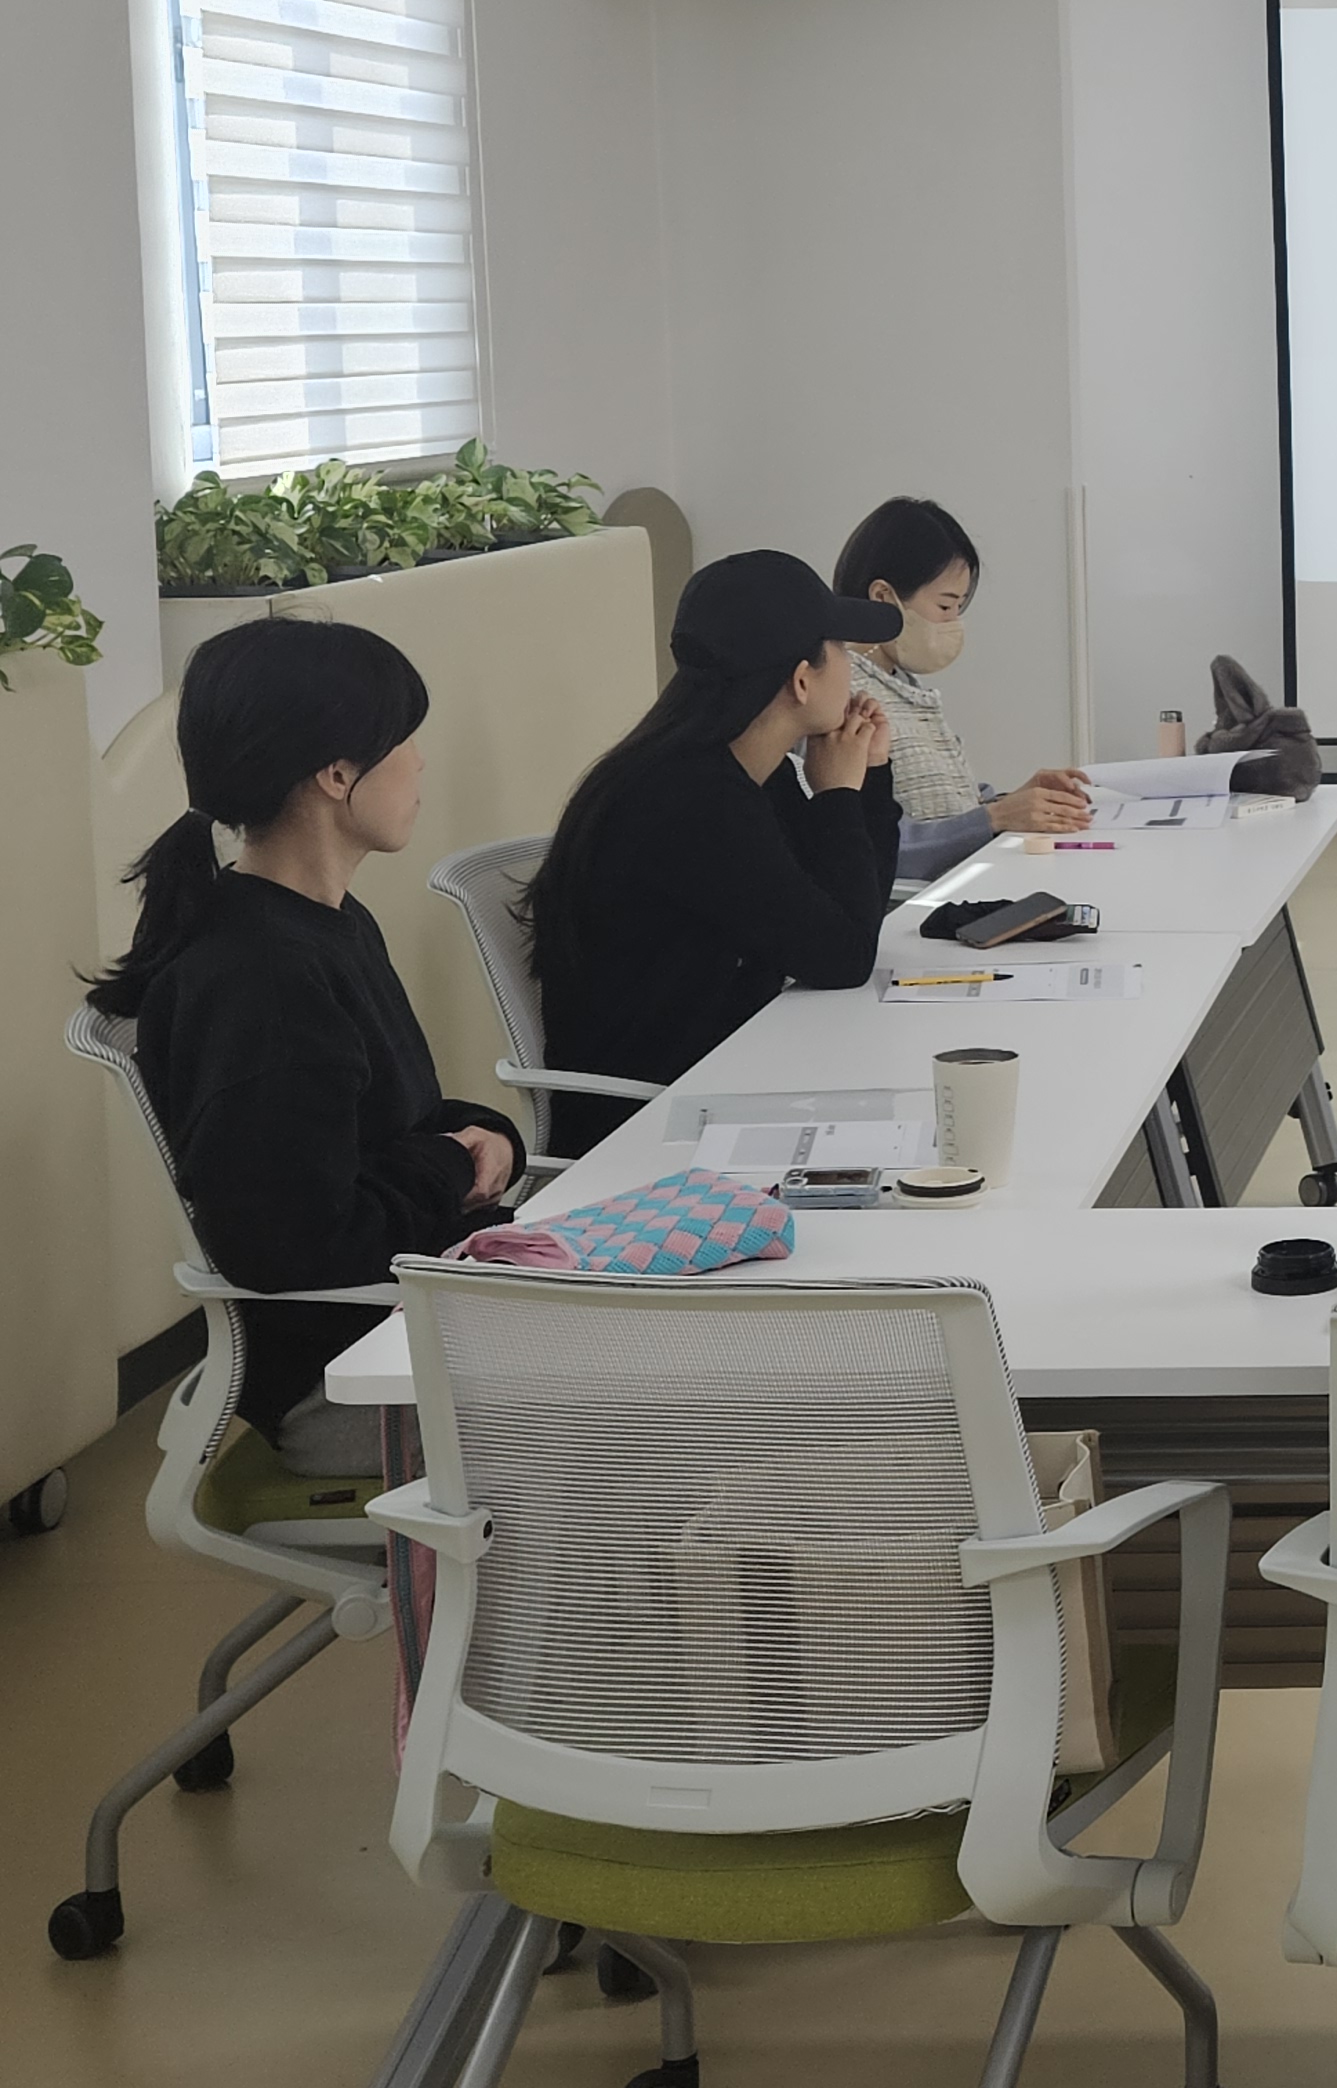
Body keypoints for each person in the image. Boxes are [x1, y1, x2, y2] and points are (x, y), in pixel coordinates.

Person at [86, 618, 524, 1474]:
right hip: (349, 1373)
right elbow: (294, 1243)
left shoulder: (323, 922)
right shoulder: (262, 981)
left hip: (405, 1310)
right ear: (336, 774)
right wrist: (449, 1160)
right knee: (685, 1390)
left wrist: (487, 1135)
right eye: (404, 740)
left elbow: (390, 1117)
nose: (420, 762)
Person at [524, 551, 909, 1157]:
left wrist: (869, 777)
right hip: (651, 1126)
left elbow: (850, 915)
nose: (852, 666)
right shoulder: (689, 802)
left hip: (727, 1075)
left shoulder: (744, 772)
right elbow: (843, 957)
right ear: (801, 680)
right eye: (838, 647)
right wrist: (838, 796)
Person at [831, 495, 1092, 879]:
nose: (954, 622)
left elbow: (936, 809)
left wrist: (1014, 801)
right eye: (945, 606)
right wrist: (995, 818)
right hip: (914, 903)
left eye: (959, 607)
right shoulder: (841, 693)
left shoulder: (901, 685)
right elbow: (868, 843)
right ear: (883, 597)